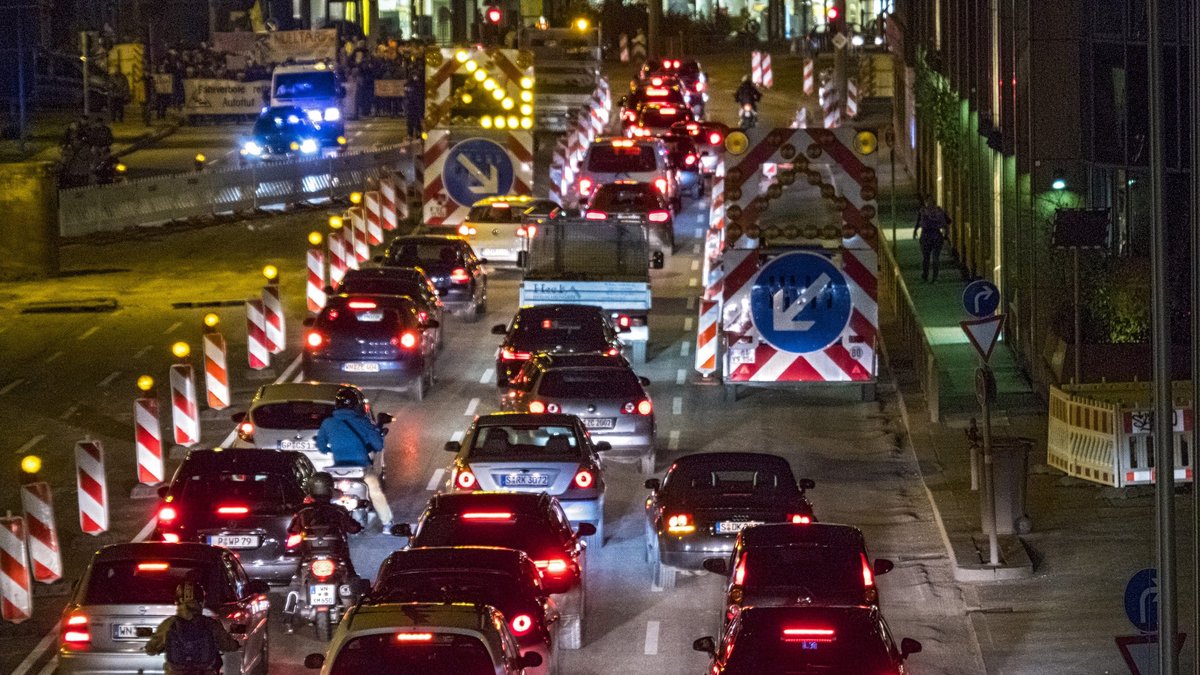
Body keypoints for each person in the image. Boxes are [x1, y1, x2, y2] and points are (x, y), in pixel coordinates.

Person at [315, 387, 393, 527]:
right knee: (375, 492)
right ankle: (387, 523)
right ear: (356, 405)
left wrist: (331, 448)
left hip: (338, 470)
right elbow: (378, 446)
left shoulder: (328, 423)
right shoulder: (363, 422)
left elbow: (321, 446)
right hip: (361, 468)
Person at [144, 580, 240, 675]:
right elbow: (228, 646)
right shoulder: (210, 624)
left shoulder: (169, 624)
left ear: (177, 602)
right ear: (201, 602)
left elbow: (150, 649)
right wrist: (235, 644)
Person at [287, 471, 363, 573]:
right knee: (351, 574)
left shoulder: (302, 510)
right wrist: (358, 527)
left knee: (297, 576)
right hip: (336, 553)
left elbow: (292, 530)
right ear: (330, 490)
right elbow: (353, 528)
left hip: (309, 554)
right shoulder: (339, 510)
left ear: (311, 490)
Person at [913, 195, 952, 282]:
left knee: (926, 258)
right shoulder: (939, 210)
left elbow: (918, 222)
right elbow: (948, 221)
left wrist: (915, 231)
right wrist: (946, 234)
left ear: (925, 202)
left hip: (926, 235)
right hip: (937, 235)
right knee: (935, 258)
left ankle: (925, 276)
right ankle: (934, 276)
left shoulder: (923, 210)